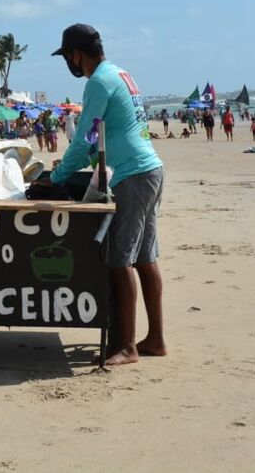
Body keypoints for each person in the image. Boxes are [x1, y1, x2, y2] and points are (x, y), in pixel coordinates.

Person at [35, 24, 165, 366]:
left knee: (119, 261)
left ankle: (126, 346)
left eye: (68, 56)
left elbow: (83, 139)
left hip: (132, 176)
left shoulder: (98, 82)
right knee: (145, 258)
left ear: (77, 55)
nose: (69, 63)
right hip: (150, 169)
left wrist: (59, 176)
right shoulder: (120, 73)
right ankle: (155, 338)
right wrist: (80, 161)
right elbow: (104, 136)